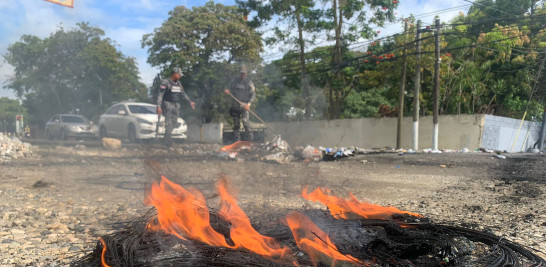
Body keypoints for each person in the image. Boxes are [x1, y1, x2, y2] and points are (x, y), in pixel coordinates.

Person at [156, 67, 196, 145]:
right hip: (167, 104)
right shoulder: (165, 82)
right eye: (179, 74)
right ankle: (167, 140)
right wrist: (159, 106)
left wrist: (190, 101)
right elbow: (160, 95)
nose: (180, 76)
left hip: (177, 104)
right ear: (174, 74)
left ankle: (166, 136)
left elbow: (183, 93)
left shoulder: (179, 83)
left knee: (175, 121)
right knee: (168, 122)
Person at [225, 66, 255, 141]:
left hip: (245, 105)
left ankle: (250, 139)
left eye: (244, 73)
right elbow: (228, 88)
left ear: (246, 74)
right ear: (240, 73)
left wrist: (249, 104)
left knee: (245, 121)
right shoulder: (235, 81)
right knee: (236, 124)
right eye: (241, 73)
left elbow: (253, 94)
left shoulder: (249, 82)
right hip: (235, 105)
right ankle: (237, 140)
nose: (242, 75)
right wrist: (227, 90)